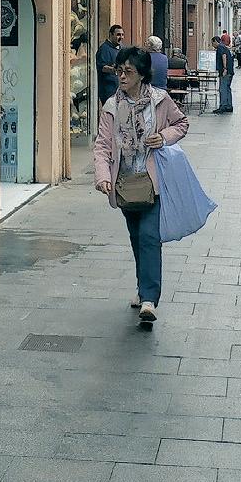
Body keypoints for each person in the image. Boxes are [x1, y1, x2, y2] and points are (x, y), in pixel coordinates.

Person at [93, 46, 189, 323]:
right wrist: (103, 176)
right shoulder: (111, 106)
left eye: (128, 71)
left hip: (152, 180)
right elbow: (103, 145)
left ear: (142, 74)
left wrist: (164, 136)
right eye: (119, 71)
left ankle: (149, 299)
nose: (122, 76)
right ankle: (142, 286)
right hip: (124, 182)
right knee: (136, 237)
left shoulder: (160, 100)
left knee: (149, 236)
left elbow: (181, 123)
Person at [95, 24, 124, 107]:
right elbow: (102, 67)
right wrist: (114, 69)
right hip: (108, 91)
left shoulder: (121, 48)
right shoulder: (104, 49)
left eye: (122, 35)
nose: (121, 37)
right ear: (111, 35)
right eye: (118, 35)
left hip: (119, 90)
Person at [213, 33, 235, 113]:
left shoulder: (220, 47)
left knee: (223, 89)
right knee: (227, 88)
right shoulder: (224, 47)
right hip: (230, 71)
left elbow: (224, 56)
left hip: (225, 71)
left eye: (213, 43)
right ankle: (229, 106)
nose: (212, 45)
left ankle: (223, 106)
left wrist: (224, 68)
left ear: (216, 41)